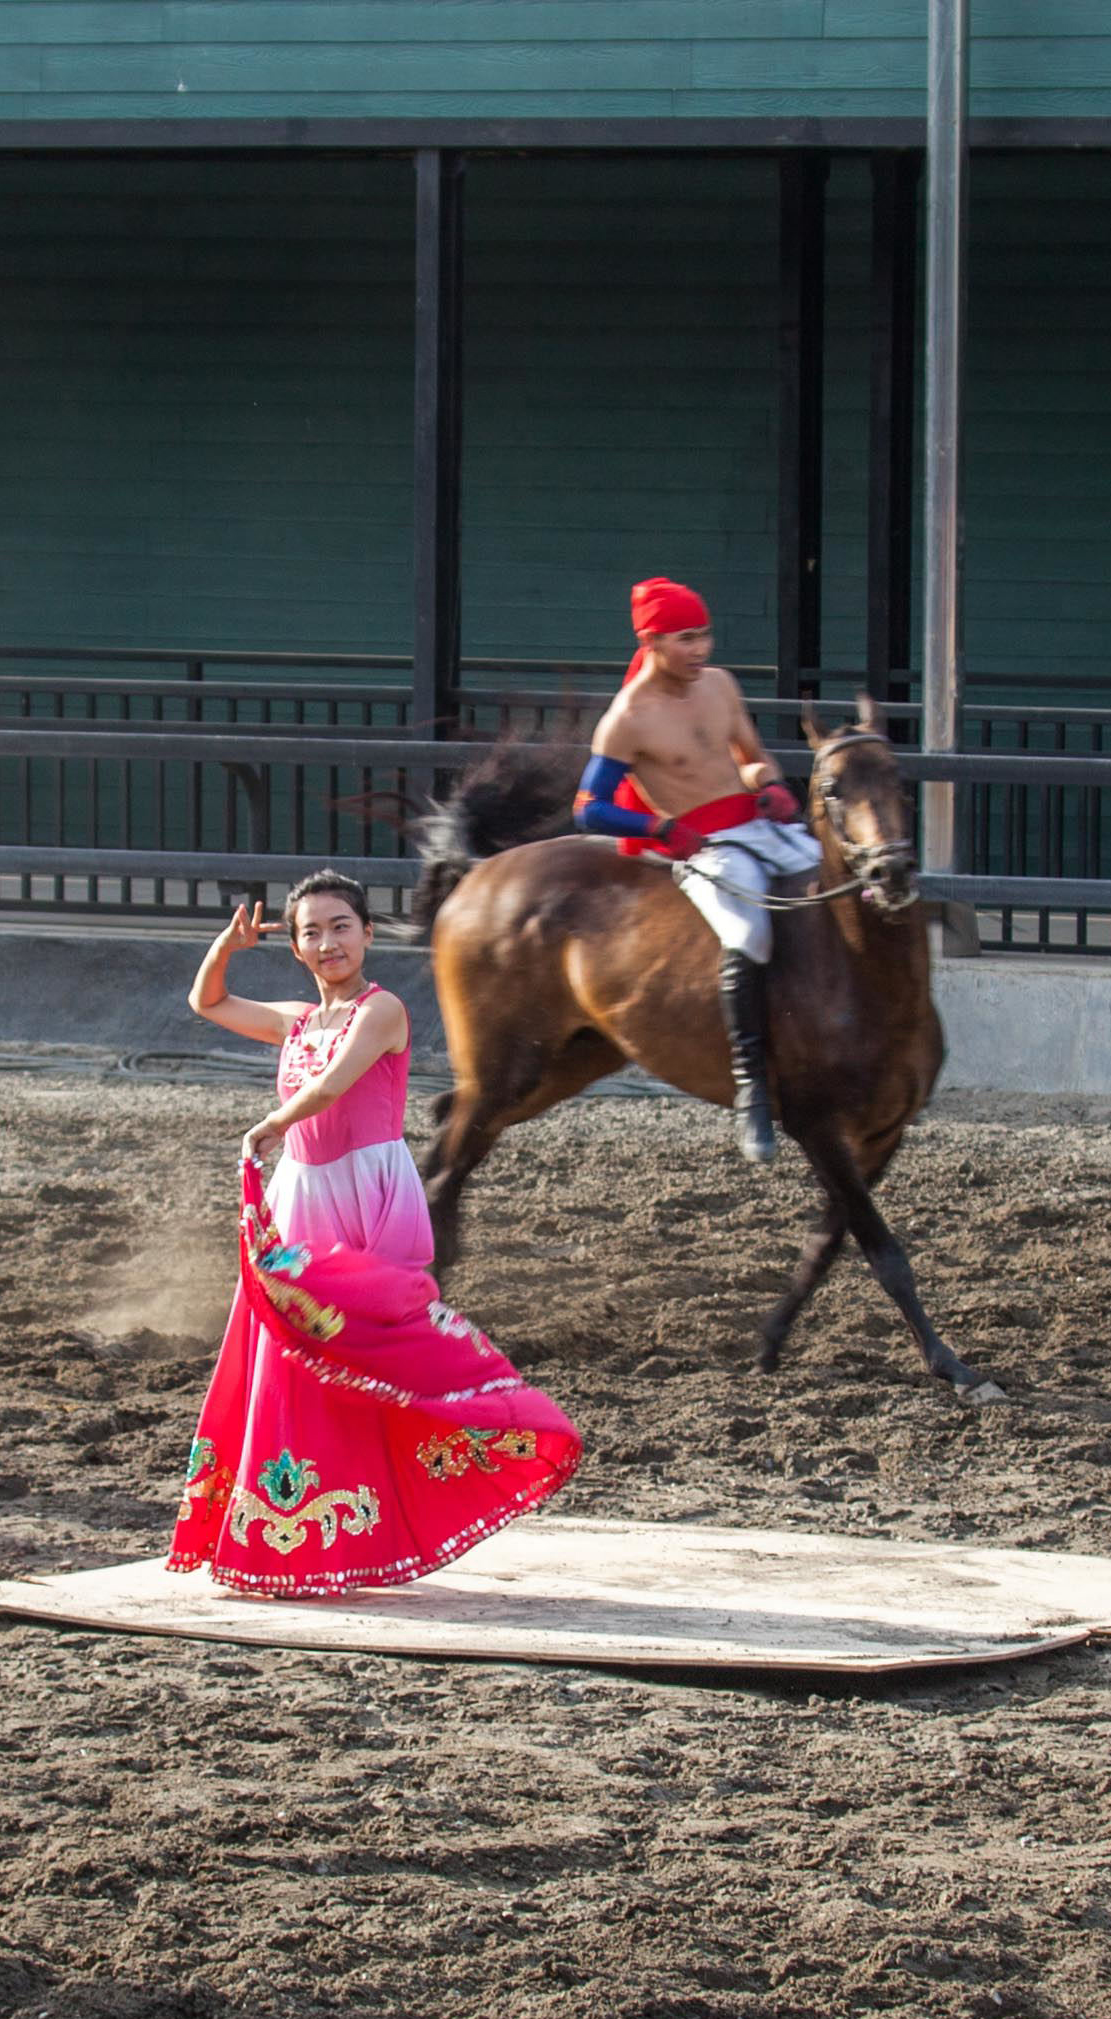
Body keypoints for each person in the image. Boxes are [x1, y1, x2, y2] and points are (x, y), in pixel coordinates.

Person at [165, 872, 579, 1596]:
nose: (327, 942)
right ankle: (306, 1535)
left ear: (366, 933)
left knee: (373, 1347)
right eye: (311, 932)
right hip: (302, 1190)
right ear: (295, 948)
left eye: (339, 926)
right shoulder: (296, 1019)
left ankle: (492, 1432)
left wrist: (270, 1124)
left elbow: (331, 1087)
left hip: (368, 1192)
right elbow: (206, 1002)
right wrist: (224, 947)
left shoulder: (379, 1009)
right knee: (298, 1351)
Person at [569, 577, 818, 1163]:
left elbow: (750, 757)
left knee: (841, 885)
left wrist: (773, 786)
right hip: (705, 843)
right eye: (687, 638)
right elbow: (587, 807)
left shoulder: (721, 685)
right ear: (653, 640)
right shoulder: (628, 717)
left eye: (705, 634)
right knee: (749, 932)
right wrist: (660, 829)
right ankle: (752, 1085)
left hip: (759, 823)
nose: (701, 648)